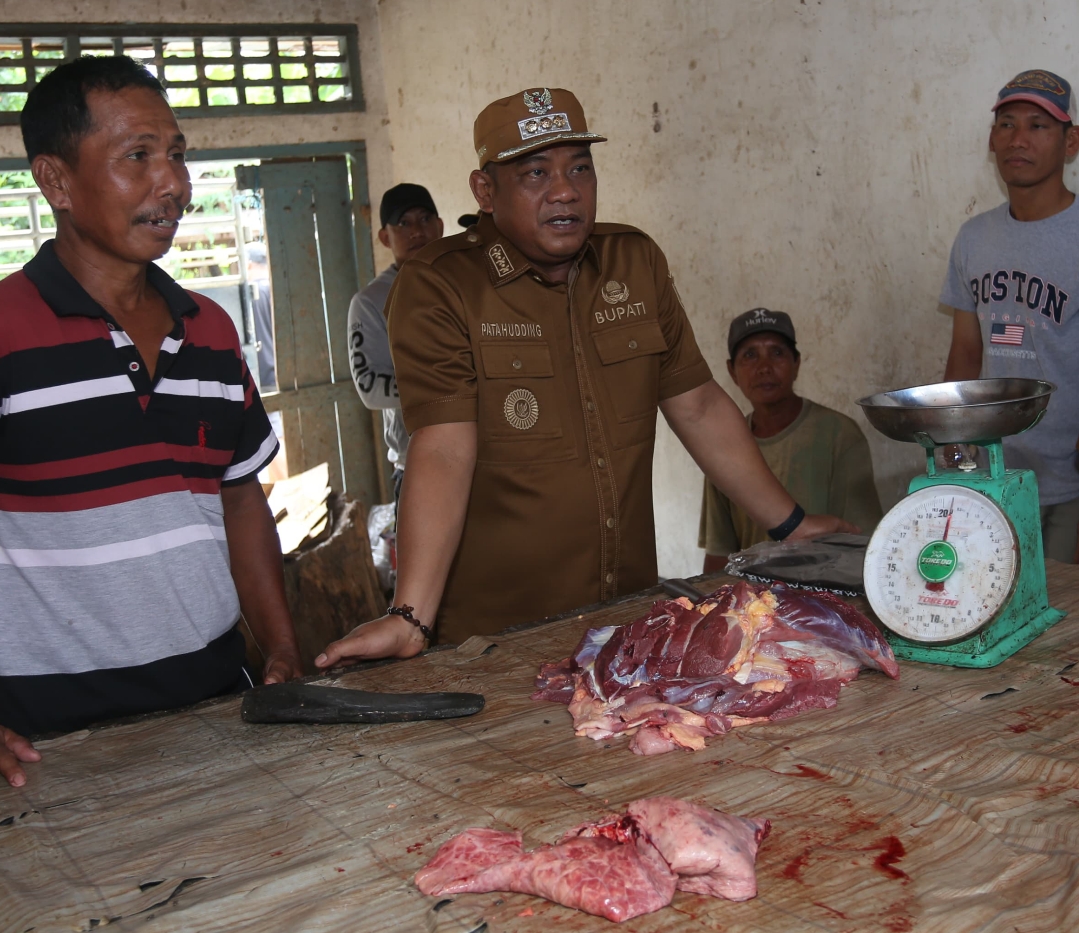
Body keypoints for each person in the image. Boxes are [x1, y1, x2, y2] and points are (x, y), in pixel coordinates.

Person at [315, 87, 855, 668]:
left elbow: (697, 405)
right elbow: (444, 448)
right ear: (484, 191)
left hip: (626, 618)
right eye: (535, 173)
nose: (565, 190)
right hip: (496, 634)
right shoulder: (441, 285)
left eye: (579, 168)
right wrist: (410, 616)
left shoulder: (634, 262)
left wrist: (792, 526)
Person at [0, 56, 302, 788]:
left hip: (216, 697)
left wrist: (282, 648)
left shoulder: (211, 331)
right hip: (44, 735)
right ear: (55, 181)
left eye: (176, 154)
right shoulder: (6, 331)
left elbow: (239, 499)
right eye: (137, 156)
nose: (173, 184)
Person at [941, 69, 1079, 563]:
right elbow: (965, 350)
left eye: (1038, 126)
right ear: (991, 140)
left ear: (1071, 142)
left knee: (1061, 606)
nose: (1018, 139)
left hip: (1068, 483)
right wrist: (951, 439)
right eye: (1007, 125)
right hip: (991, 478)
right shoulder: (973, 238)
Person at [699, 309, 882, 571]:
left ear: (796, 364)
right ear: (732, 371)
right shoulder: (724, 446)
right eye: (750, 355)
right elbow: (718, 556)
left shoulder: (839, 434)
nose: (764, 368)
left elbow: (862, 543)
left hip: (822, 588)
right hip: (750, 594)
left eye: (777, 353)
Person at [347, 183, 443, 505]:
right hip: (418, 466)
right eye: (403, 223)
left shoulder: (469, 284)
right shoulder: (371, 302)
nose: (417, 231)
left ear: (440, 226)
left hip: (485, 461)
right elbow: (370, 387)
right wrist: (446, 388)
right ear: (385, 237)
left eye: (425, 219)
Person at [245, 241, 276, 392]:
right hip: (284, 376)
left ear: (249, 265)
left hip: (261, 379)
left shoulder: (248, 296)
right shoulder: (278, 291)